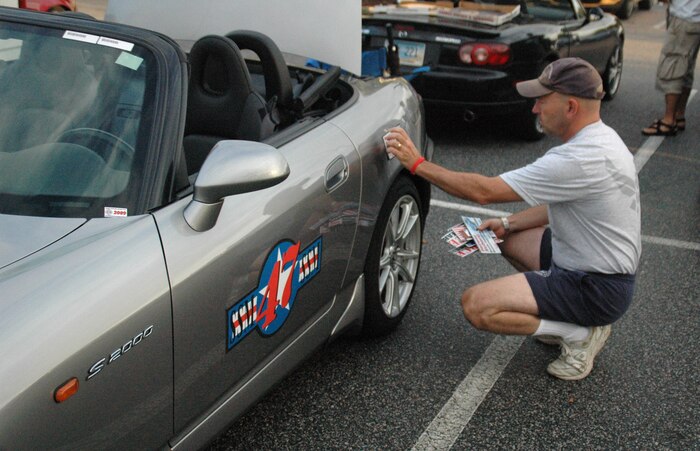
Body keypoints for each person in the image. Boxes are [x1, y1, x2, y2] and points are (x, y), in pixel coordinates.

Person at [385, 58, 641, 381]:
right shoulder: (604, 140)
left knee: (476, 305)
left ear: (571, 107)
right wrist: (508, 224)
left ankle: (577, 333)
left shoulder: (577, 158)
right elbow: (560, 206)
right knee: (500, 236)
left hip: (594, 287)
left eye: (542, 100)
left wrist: (417, 163)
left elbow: (484, 191)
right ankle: (565, 315)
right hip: (595, 271)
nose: (535, 109)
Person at [642, 0, 700, 136]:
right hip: (695, 17)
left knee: (672, 66)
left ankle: (668, 120)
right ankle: (679, 115)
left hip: (684, 16)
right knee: (686, 66)